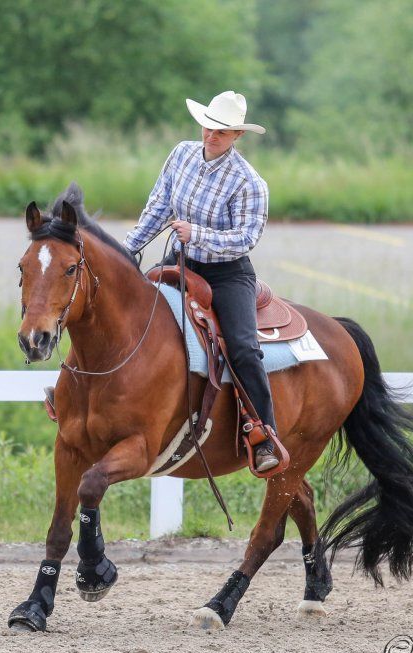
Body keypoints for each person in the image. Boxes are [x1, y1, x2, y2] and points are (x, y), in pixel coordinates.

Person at [123, 90, 279, 474]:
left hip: (227, 274)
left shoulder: (249, 183)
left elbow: (245, 239)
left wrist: (199, 234)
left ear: (238, 136)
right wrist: (127, 249)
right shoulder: (181, 154)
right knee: (128, 315)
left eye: (223, 132)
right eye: (210, 126)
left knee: (243, 348)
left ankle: (263, 433)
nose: (212, 134)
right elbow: (159, 205)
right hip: (179, 261)